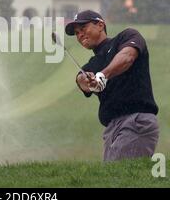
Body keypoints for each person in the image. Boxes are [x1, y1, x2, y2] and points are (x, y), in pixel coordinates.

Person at [65, 10, 159, 162]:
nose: (80, 35)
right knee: (111, 177)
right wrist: (89, 82)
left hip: (136, 121)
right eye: (76, 33)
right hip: (111, 128)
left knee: (120, 177)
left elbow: (127, 57)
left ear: (100, 25)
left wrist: (103, 75)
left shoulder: (127, 37)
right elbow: (81, 80)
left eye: (83, 29)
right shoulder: (92, 64)